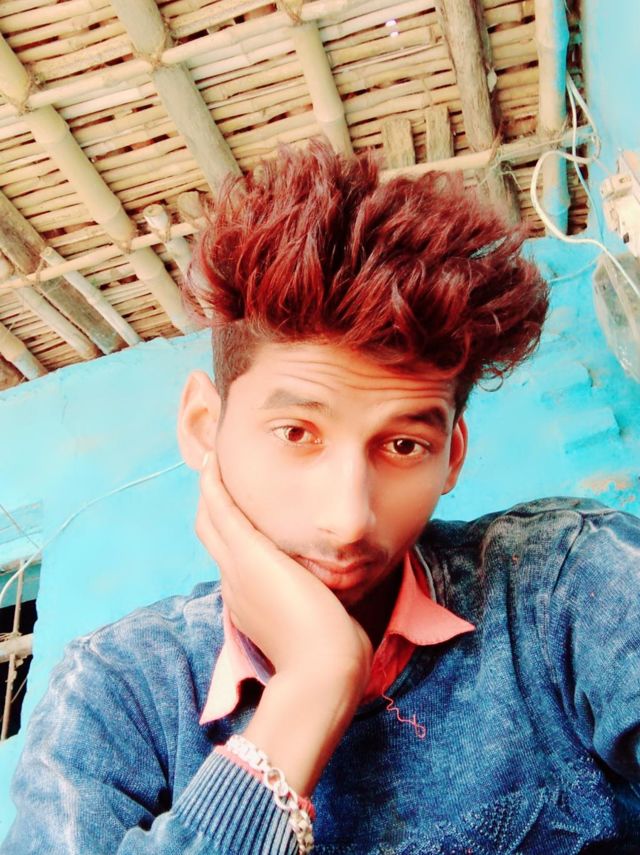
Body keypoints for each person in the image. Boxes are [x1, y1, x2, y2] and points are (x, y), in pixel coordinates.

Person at [2, 140, 640, 854]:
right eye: (296, 432)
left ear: (452, 455)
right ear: (204, 426)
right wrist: (311, 687)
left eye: (405, 445)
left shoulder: (562, 584)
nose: (348, 518)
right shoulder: (117, 693)